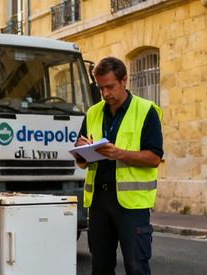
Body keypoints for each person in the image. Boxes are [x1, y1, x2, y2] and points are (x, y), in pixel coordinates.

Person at [73, 57, 163, 275]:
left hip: (131, 206)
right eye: (101, 88)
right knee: (100, 267)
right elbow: (81, 162)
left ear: (124, 80)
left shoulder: (146, 111)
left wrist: (119, 154)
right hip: (98, 203)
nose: (105, 94)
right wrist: (81, 150)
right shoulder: (93, 112)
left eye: (110, 87)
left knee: (136, 267)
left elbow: (154, 158)